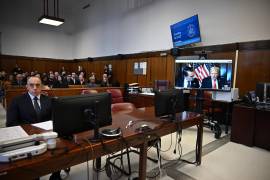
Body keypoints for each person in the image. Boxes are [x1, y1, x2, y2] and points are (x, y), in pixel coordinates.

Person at [6, 76, 67, 179]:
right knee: (34, 165)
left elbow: (55, 118)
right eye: (31, 85)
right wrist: (28, 132)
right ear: (27, 87)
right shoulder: (17, 101)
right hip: (28, 137)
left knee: (60, 151)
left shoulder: (48, 100)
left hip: (48, 135)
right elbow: (11, 123)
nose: (35, 88)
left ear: (41, 86)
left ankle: (56, 175)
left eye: (38, 85)